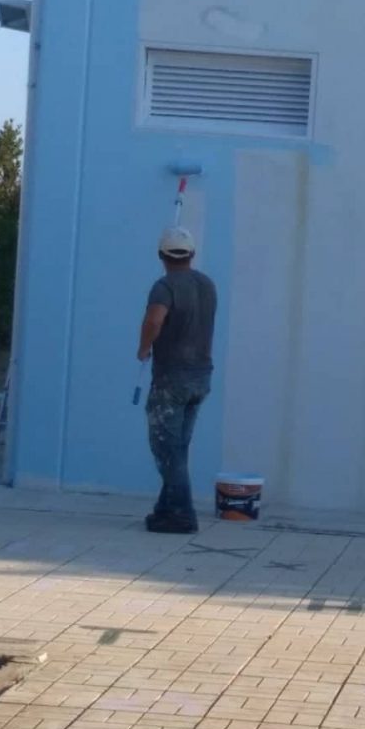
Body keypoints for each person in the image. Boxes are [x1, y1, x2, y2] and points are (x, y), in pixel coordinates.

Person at [137, 226, 217, 533]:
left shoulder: (164, 286)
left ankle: (182, 515)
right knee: (178, 447)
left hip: (172, 378)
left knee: (166, 449)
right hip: (201, 376)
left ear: (161, 255)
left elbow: (154, 320)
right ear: (192, 254)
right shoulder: (207, 284)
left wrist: (144, 347)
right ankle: (165, 509)